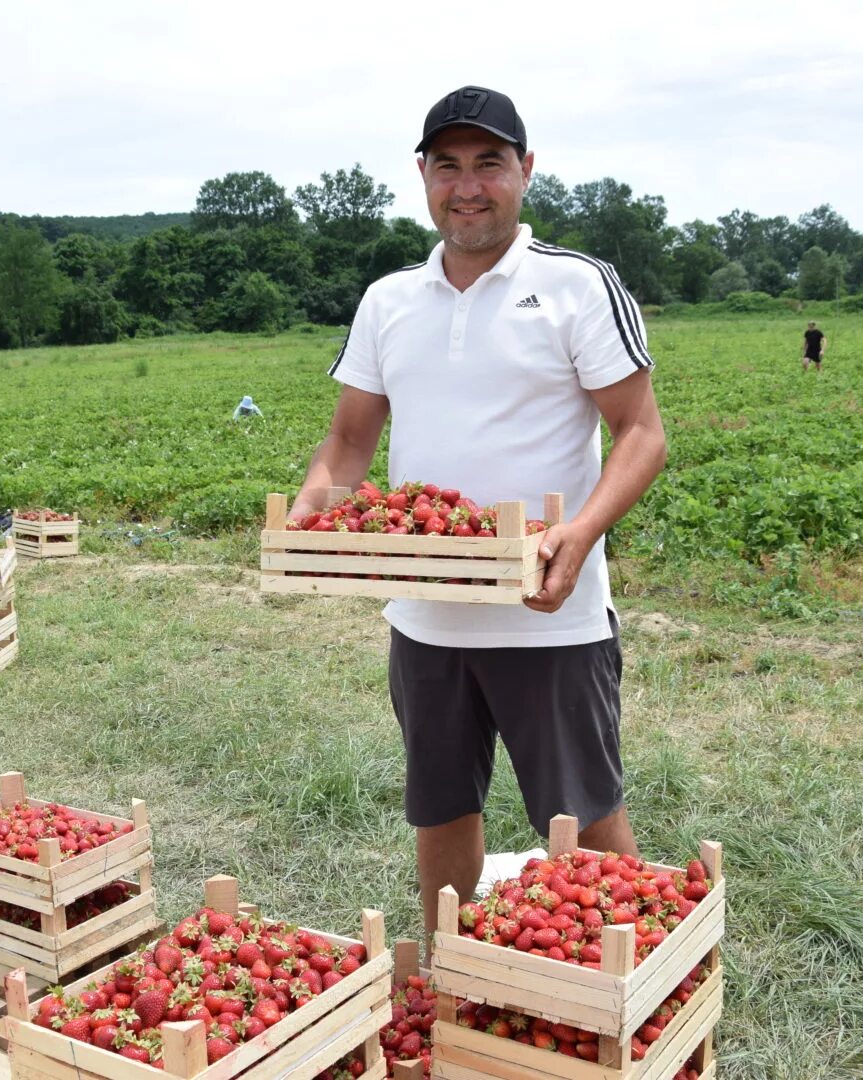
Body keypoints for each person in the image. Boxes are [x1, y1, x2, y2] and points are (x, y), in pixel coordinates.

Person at [291, 86, 667, 940]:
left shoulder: (577, 286)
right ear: (422, 175)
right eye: (449, 166)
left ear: (525, 172)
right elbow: (349, 444)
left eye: (489, 164)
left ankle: (637, 985)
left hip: (550, 613)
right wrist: (313, 515)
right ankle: (448, 983)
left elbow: (641, 435)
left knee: (586, 818)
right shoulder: (389, 299)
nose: (468, 186)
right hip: (426, 618)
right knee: (441, 811)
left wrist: (580, 532)